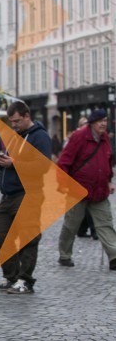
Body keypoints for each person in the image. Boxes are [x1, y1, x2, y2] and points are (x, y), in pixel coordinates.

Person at [0, 101, 53, 294]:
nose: (14, 125)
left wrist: (14, 163)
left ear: (27, 116)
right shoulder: (15, 137)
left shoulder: (40, 137)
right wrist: (2, 162)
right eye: (11, 122)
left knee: (28, 239)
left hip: (29, 193)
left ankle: (25, 281)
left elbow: (42, 167)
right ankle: (11, 277)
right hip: (8, 195)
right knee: (0, 236)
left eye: (17, 121)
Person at [57, 109, 116, 271]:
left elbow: (107, 161)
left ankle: (114, 256)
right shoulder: (79, 137)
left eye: (105, 120)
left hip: (99, 190)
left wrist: (109, 181)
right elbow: (63, 162)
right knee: (71, 224)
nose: (103, 124)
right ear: (92, 123)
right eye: (100, 121)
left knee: (105, 224)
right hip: (78, 190)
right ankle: (65, 254)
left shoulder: (104, 138)